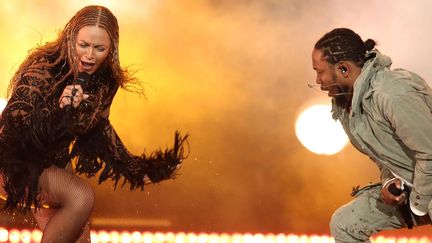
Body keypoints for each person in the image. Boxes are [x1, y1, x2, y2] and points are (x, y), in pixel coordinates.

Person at [0, 5, 188, 242]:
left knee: (80, 237)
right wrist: (57, 110)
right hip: (13, 158)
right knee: (81, 196)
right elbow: (14, 125)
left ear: (111, 49)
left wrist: (135, 169)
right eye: (84, 45)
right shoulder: (44, 67)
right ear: (70, 39)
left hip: (53, 161)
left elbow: (99, 129)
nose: (90, 55)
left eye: (99, 48)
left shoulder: (105, 81)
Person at [311, 28, 432, 242]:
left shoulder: (392, 92)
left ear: (343, 69)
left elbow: (430, 153)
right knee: (345, 224)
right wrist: (389, 182)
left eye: (320, 72)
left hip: (425, 190)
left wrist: (418, 206)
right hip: (418, 189)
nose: (318, 80)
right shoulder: (348, 107)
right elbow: (386, 155)